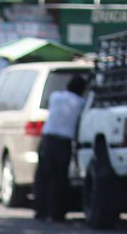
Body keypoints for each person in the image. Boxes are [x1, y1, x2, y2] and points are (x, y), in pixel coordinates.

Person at [32, 74, 88, 223]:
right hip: (64, 143)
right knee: (59, 179)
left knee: (43, 177)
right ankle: (56, 213)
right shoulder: (81, 102)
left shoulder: (55, 97)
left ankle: (40, 210)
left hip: (47, 139)